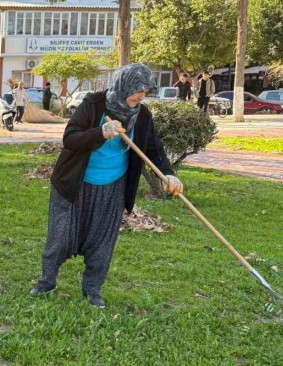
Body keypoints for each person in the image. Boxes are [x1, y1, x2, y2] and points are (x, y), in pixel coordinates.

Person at [29, 64, 184, 308]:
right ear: (124, 85)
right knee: (59, 237)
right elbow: (70, 139)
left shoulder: (142, 116)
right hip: (74, 184)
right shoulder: (94, 103)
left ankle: (92, 290)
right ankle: (47, 282)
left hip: (112, 187)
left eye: (145, 91)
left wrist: (168, 174)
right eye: (137, 90)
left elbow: (153, 149)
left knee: (102, 242)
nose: (141, 96)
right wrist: (100, 132)